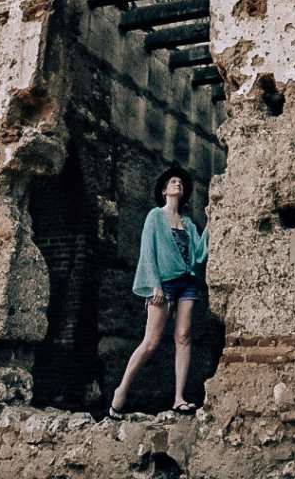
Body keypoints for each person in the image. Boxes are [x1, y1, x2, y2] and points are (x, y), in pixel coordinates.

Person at [109, 165, 209, 418]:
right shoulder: (155, 216)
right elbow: (148, 252)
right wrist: (154, 284)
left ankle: (179, 398)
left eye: (180, 183)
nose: (178, 184)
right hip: (162, 283)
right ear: (164, 190)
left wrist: (211, 222)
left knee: (184, 336)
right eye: (173, 182)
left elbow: (198, 255)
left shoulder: (188, 224)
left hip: (187, 282)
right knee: (151, 342)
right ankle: (121, 391)